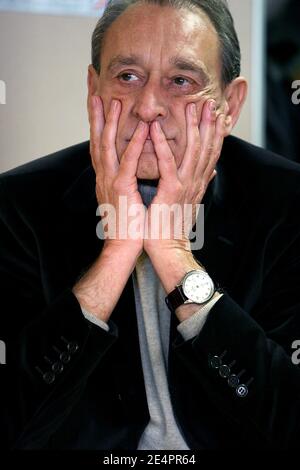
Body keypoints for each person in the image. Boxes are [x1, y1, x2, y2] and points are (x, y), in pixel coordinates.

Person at [1, 0, 300, 450]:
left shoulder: (289, 203)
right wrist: (117, 254)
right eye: (128, 77)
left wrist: (174, 254)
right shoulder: (16, 205)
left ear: (230, 103)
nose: (148, 106)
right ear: (93, 90)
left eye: (181, 81)